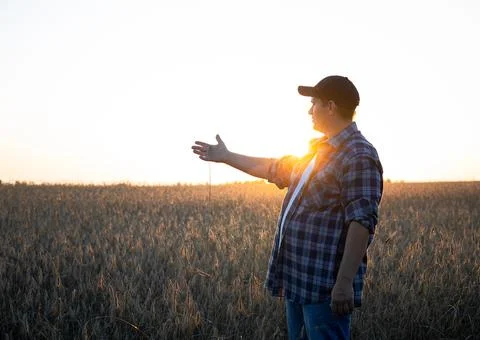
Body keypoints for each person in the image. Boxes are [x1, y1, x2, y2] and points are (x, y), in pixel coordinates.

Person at [191, 75, 383, 339]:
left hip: (324, 287)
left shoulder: (358, 155)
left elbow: (361, 222)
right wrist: (226, 157)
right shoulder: (317, 152)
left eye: (313, 103)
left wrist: (344, 283)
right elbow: (273, 168)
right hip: (298, 281)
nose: (309, 110)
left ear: (330, 106)